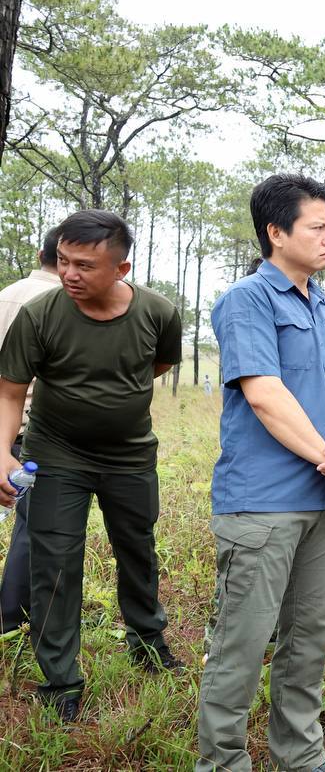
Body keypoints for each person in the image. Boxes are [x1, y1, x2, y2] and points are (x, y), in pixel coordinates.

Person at [196, 175, 325, 772]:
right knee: (241, 644)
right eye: (317, 227)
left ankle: (300, 755)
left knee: (310, 637)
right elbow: (265, 395)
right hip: (262, 505)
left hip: (323, 502)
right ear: (276, 232)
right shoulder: (248, 300)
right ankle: (222, 762)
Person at [0, 211, 184, 723]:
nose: (69, 274)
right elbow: (10, 392)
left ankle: (148, 644)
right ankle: (61, 679)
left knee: (138, 551)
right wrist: (2, 453)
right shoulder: (39, 314)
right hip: (56, 455)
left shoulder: (158, 313)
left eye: (84, 265)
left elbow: (157, 364)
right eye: (62, 261)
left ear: (121, 268)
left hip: (129, 456)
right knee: (53, 563)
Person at [0, 229, 62, 634]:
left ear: (40, 254)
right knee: (31, 529)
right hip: (31, 432)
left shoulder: (6, 293)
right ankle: (12, 621)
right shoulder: (63, 305)